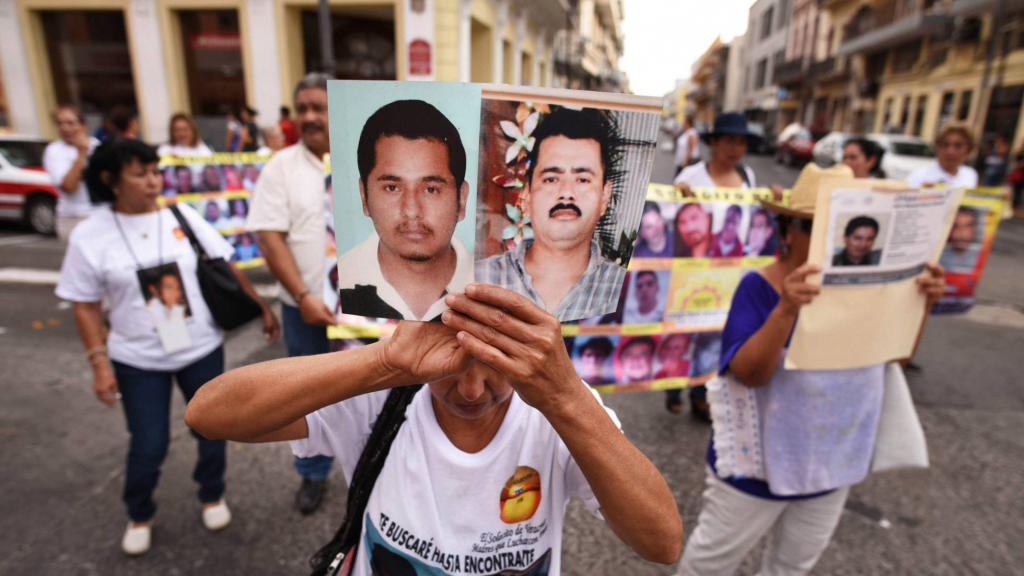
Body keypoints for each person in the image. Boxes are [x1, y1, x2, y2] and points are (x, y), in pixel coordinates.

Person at [184, 284, 683, 575]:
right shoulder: (379, 392)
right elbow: (208, 414)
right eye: (450, 363)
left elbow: (662, 542)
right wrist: (382, 363)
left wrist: (567, 396)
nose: (471, 390)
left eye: (496, 364)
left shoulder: (561, 412)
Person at [674, 163, 945, 576]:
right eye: (814, 226)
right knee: (711, 562)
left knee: (793, 566)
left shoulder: (872, 289)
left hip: (831, 462)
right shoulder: (759, 286)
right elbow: (749, 373)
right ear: (789, 231)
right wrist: (786, 308)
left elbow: (898, 358)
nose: (826, 239)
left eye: (834, 227)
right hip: (757, 465)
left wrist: (920, 304)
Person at [54, 138, 278, 556]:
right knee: (149, 442)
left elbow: (223, 263)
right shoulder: (89, 235)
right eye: (141, 174)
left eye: (156, 171)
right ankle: (139, 512)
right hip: (137, 358)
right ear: (110, 180)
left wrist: (260, 306)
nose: (154, 181)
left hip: (200, 347)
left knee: (213, 427)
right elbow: (84, 306)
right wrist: (98, 362)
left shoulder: (181, 215)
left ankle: (212, 493)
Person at [247, 73, 339, 514]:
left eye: (318, 107)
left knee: (379, 397)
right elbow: (269, 237)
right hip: (305, 311)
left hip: (365, 319)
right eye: (301, 108)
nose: (308, 116)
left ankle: (379, 471)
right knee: (308, 401)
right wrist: (303, 295)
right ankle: (313, 474)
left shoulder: (366, 157)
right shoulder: (280, 167)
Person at [476, 107, 627, 321]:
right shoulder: (477, 281)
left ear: (604, 197)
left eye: (582, 179)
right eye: (551, 179)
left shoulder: (624, 290)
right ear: (526, 196)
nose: (566, 193)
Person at [336, 99, 473, 321]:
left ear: (462, 200)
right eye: (392, 188)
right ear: (364, 196)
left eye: (431, 189)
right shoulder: (337, 284)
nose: (411, 210)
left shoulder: (490, 284)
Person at [44, 104, 100, 241]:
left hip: (99, 214)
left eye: (70, 123)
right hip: (74, 218)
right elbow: (69, 187)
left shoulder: (96, 146)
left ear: (84, 126)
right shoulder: (54, 150)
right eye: (59, 123)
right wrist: (81, 154)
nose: (65, 128)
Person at [907, 124, 979, 189]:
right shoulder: (919, 176)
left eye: (958, 146)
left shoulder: (970, 174)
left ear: (968, 151)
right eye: (945, 145)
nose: (950, 152)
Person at [939, 206, 981, 273]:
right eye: (956, 226)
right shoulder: (937, 255)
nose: (961, 234)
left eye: (967, 226)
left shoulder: (979, 256)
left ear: (975, 230)